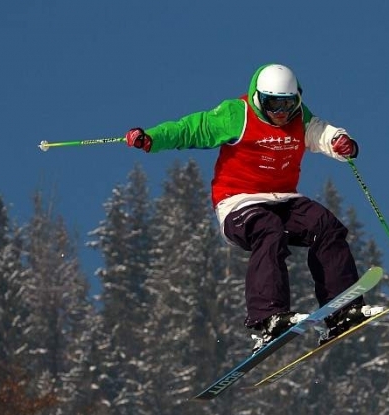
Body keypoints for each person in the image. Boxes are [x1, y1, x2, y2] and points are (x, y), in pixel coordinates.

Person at [126, 63, 373, 352]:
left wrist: (340, 142)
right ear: (258, 98)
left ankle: (341, 309)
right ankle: (267, 316)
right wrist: (151, 138)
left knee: (325, 225)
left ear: (298, 100)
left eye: (288, 104)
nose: (280, 112)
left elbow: (321, 133)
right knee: (269, 230)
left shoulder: (299, 119)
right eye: (272, 104)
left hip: (283, 198)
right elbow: (192, 129)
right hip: (238, 202)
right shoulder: (237, 115)